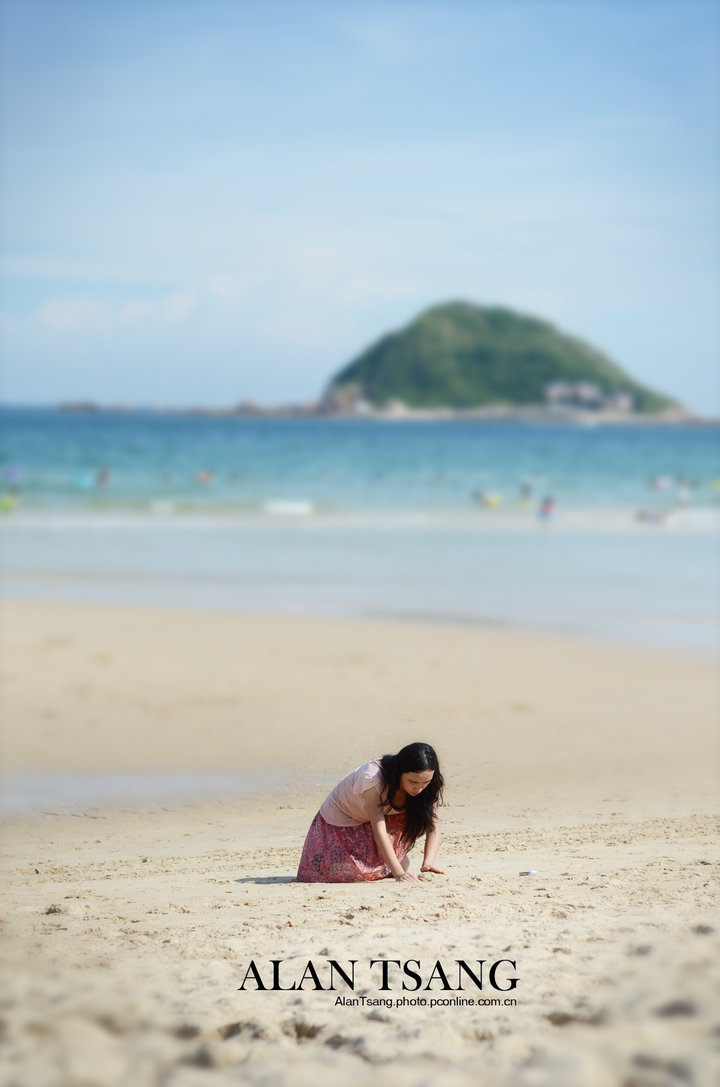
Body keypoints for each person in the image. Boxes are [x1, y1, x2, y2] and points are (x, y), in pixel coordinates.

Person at [296, 742, 444, 884]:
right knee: (346, 871)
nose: (419, 789)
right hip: (343, 822)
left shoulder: (429, 784)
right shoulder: (373, 778)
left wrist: (428, 864)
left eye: (425, 783)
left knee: (402, 864)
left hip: (375, 819)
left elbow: (433, 827)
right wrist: (399, 874)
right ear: (399, 772)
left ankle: (383, 866)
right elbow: (378, 829)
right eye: (413, 782)